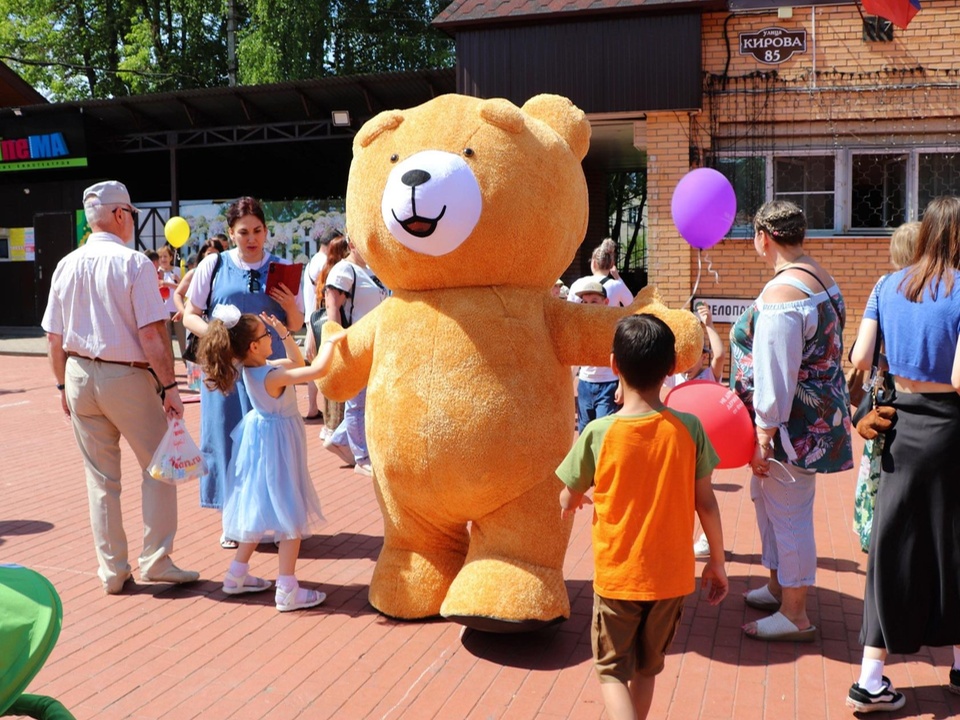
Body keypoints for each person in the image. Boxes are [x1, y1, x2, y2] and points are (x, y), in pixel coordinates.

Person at [556, 314, 728, 720]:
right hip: (671, 577)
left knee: (611, 670)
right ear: (671, 367)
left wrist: (572, 501)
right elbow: (707, 503)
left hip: (619, 576)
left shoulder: (598, 432)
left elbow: (567, 495)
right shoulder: (690, 429)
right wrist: (717, 563)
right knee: (648, 668)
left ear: (614, 365)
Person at [40, 180, 198, 594]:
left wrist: (60, 387)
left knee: (101, 479)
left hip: (78, 375)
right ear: (119, 215)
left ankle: (113, 570)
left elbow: (52, 337)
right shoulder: (134, 264)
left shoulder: (65, 264)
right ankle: (156, 560)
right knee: (159, 467)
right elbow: (151, 334)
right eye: (129, 212)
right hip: (127, 375)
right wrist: (170, 387)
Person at [844, 197, 960, 712]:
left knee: (894, 547)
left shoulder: (886, 285)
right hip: (951, 428)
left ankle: (870, 678)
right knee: (953, 547)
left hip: (898, 425)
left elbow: (861, 357)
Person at [731, 199, 852, 642]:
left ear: (764, 238)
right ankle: (780, 587)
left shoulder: (782, 294)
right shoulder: (816, 274)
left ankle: (796, 613)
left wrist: (764, 431)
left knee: (789, 513)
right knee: (773, 505)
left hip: (791, 430)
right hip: (813, 420)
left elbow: (775, 372)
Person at [197, 306, 345, 612]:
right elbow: (315, 370)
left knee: (257, 507)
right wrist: (331, 340)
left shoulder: (256, 369)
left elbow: (297, 361)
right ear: (253, 346)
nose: (271, 340)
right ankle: (287, 587)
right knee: (289, 508)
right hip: (278, 445)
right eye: (266, 337)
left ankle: (236, 575)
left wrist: (283, 333)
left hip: (264, 441)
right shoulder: (272, 373)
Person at [182, 197, 304, 549]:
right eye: (243, 232)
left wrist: (289, 306)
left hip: (268, 374)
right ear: (230, 233)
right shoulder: (214, 265)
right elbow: (190, 314)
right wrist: (217, 335)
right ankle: (231, 519)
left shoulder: (282, 268)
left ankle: (270, 517)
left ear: (266, 231)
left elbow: (294, 325)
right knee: (225, 440)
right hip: (225, 372)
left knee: (269, 444)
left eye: (257, 231)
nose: (251, 239)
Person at [848, 220, 919, 554]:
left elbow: (862, 357)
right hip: (933, 401)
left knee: (882, 466)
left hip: (888, 395)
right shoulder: (945, 288)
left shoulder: (886, 286)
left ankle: (876, 534)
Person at [661, 302, 727, 559]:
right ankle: (682, 537)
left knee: (702, 495)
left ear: (703, 357)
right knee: (682, 495)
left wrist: (708, 324)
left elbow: (721, 355)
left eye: (696, 356)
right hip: (679, 444)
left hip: (701, 447)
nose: (688, 364)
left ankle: (709, 539)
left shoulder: (710, 376)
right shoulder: (675, 376)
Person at [321, 233, 388, 476]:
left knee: (366, 400)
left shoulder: (369, 270)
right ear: (352, 244)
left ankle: (339, 438)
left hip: (373, 343)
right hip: (354, 343)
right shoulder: (343, 271)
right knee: (357, 402)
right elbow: (332, 307)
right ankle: (361, 457)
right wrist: (336, 341)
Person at [305, 232, 350, 436]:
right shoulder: (340, 274)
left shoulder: (324, 271)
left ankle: (330, 423)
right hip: (336, 327)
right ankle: (335, 427)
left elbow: (317, 304)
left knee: (327, 375)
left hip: (320, 327)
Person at [568, 277, 619, 432]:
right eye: (585, 302)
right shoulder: (580, 327)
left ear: (606, 302)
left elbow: (621, 357)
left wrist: (622, 385)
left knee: (603, 430)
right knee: (585, 430)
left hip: (608, 384)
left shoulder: (613, 326)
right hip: (585, 384)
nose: (589, 306)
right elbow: (577, 356)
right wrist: (569, 383)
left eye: (594, 301)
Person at [157, 244, 185, 363]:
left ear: (170, 257)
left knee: (182, 340)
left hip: (178, 309)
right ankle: (171, 368)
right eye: (161, 257)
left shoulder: (177, 271)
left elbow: (184, 288)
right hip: (164, 311)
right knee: (167, 342)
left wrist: (175, 282)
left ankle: (187, 365)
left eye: (165, 256)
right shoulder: (157, 272)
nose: (163, 259)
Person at [590, 238, 634, 308]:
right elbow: (632, 305)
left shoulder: (577, 284)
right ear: (612, 264)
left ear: (594, 263)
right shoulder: (617, 286)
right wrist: (618, 278)